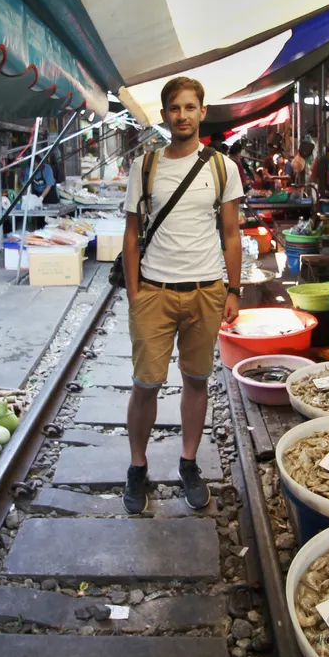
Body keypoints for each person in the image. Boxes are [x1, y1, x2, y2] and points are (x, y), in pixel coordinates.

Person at [122, 76, 243, 514]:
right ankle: (138, 467)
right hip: (154, 292)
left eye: (190, 107)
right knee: (145, 384)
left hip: (206, 292)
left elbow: (231, 235)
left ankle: (188, 463)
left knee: (196, 381)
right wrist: (136, 294)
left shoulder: (222, 167)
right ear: (165, 115)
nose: (183, 115)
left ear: (202, 112)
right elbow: (131, 236)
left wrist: (234, 289)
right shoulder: (146, 167)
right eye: (175, 108)